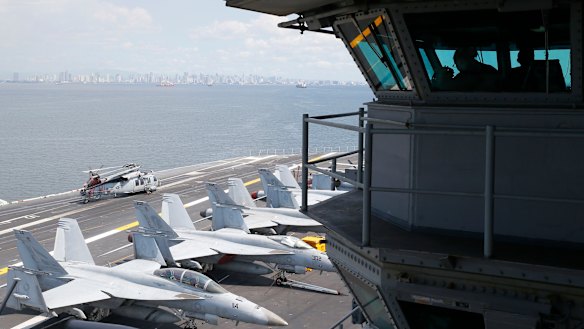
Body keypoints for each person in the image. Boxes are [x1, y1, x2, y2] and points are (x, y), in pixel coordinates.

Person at [432, 47, 499, 91]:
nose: (458, 68)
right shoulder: (489, 69)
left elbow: (445, 87)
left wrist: (441, 74)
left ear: (462, 60)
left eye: (457, 64)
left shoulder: (466, 76)